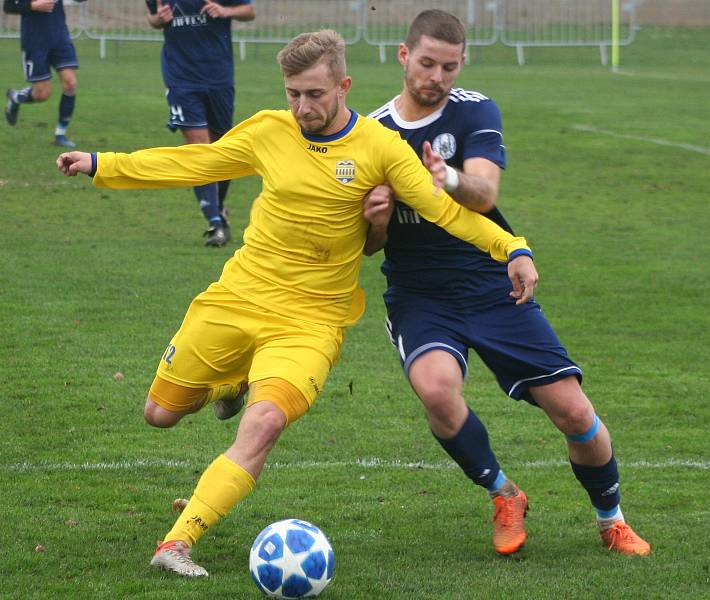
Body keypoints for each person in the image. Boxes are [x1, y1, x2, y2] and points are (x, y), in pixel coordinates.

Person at [56, 29, 538, 577]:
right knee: (160, 414)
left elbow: (445, 211)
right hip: (238, 298)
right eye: (293, 94)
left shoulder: (382, 149)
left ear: (343, 86)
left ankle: (177, 542)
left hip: (312, 321)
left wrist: (512, 247)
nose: (303, 107)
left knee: (262, 424)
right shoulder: (268, 130)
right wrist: (101, 163)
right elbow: (196, 164)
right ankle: (228, 383)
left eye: (314, 94)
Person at [362, 9, 650, 557]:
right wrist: (377, 217)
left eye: (449, 66)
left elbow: (485, 193)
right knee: (437, 391)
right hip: (420, 294)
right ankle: (504, 494)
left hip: (491, 283)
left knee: (573, 411)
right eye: (426, 63)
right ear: (403, 56)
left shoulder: (476, 112)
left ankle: (611, 519)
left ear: (461, 62)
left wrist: (442, 177)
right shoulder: (373, 133)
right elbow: (371, 246)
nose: (437, 77)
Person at [145, 0, 256, 247]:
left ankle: (218, 208)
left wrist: (226, 11)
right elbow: (152, 18)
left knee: (221, 149)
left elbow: (249, 11)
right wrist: (159, 19)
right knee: (199, 148)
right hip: (181, 79)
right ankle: (215, 223)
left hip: (219, 78)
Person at [3, 0, 81, 147]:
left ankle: (60, 134)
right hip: (35, 41)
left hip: (60, 37)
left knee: (70, 83)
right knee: (42, 94)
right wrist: (33, 5)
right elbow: (8, 6)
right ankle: (16, 97)